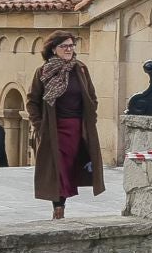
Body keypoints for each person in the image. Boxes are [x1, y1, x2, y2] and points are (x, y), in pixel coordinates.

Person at [26, 30, 103, 219]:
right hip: (53, 129)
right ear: (54, 49)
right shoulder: (43, 71)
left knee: (69, 167)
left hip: (77, 128)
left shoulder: (81, 69)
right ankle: (58, 207)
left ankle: (62, 203)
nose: (69, 49)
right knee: (57, 167)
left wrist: (90, 119)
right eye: (64, 46)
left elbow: (91, 96)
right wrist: (39, 125)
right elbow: (32, 101)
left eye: (71, 45)